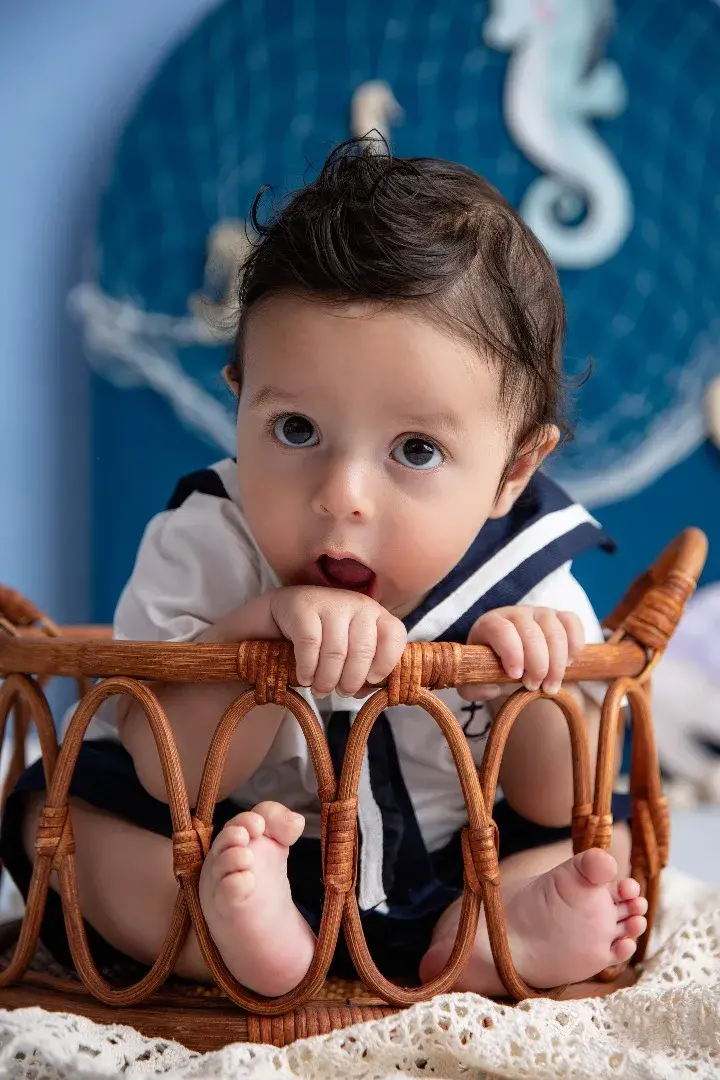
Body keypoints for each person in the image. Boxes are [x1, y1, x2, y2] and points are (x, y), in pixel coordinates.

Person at [1, 140, 647, 997]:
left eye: (416, 449)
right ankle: (220, 936)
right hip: (231, 851)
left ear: (514, 472)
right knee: (57, 811)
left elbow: (555, 796)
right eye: (296, 430)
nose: (342, 496)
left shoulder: (525, 572)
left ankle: (494, 931)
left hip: (468, 856)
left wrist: (518, 682)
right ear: (239, 401)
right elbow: (167, 774)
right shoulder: (208, 540)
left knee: (601, 834)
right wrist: (252, 635)